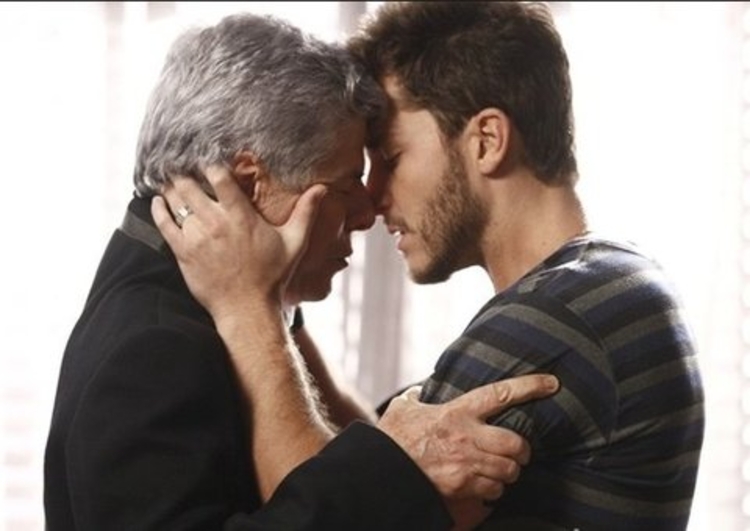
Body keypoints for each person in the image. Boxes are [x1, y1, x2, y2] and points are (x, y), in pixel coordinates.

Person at [154, 2, 706, 530]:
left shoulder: (558, 318)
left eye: (391, 159)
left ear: (486, 140)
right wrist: (282, 300)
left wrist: (247, 303)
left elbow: (323, 507)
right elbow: (376, 459)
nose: (372, 200)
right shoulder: (606, 284)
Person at [43, 11, 557, 531]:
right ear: (247, 187)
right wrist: (401, 476)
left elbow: (322, 451)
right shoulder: (155, 349)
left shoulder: (213, 302)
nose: (366, 214)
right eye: (345, 184)